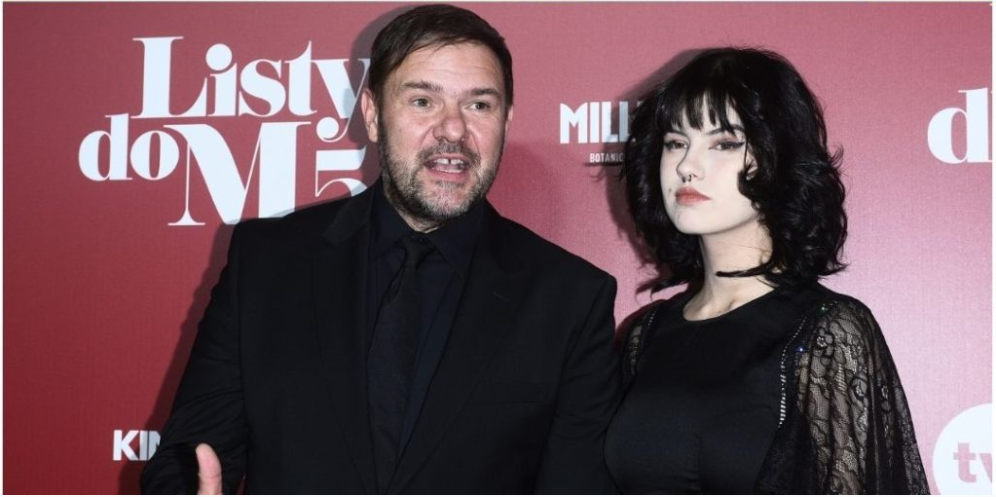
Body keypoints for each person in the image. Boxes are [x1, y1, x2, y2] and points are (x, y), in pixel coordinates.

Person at [141, 4, 619, 494]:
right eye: (422, 101)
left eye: (479, 105)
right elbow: (189, 457)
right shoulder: (265, 263)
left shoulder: (571, 299)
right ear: (372, 115)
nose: (453, 130)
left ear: (506, 120)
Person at [605, 47, 929, 494]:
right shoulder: (646, 335)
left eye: (724, 144)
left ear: (778, 157)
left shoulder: (828, 331)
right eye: (676, 143)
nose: (686, 166)